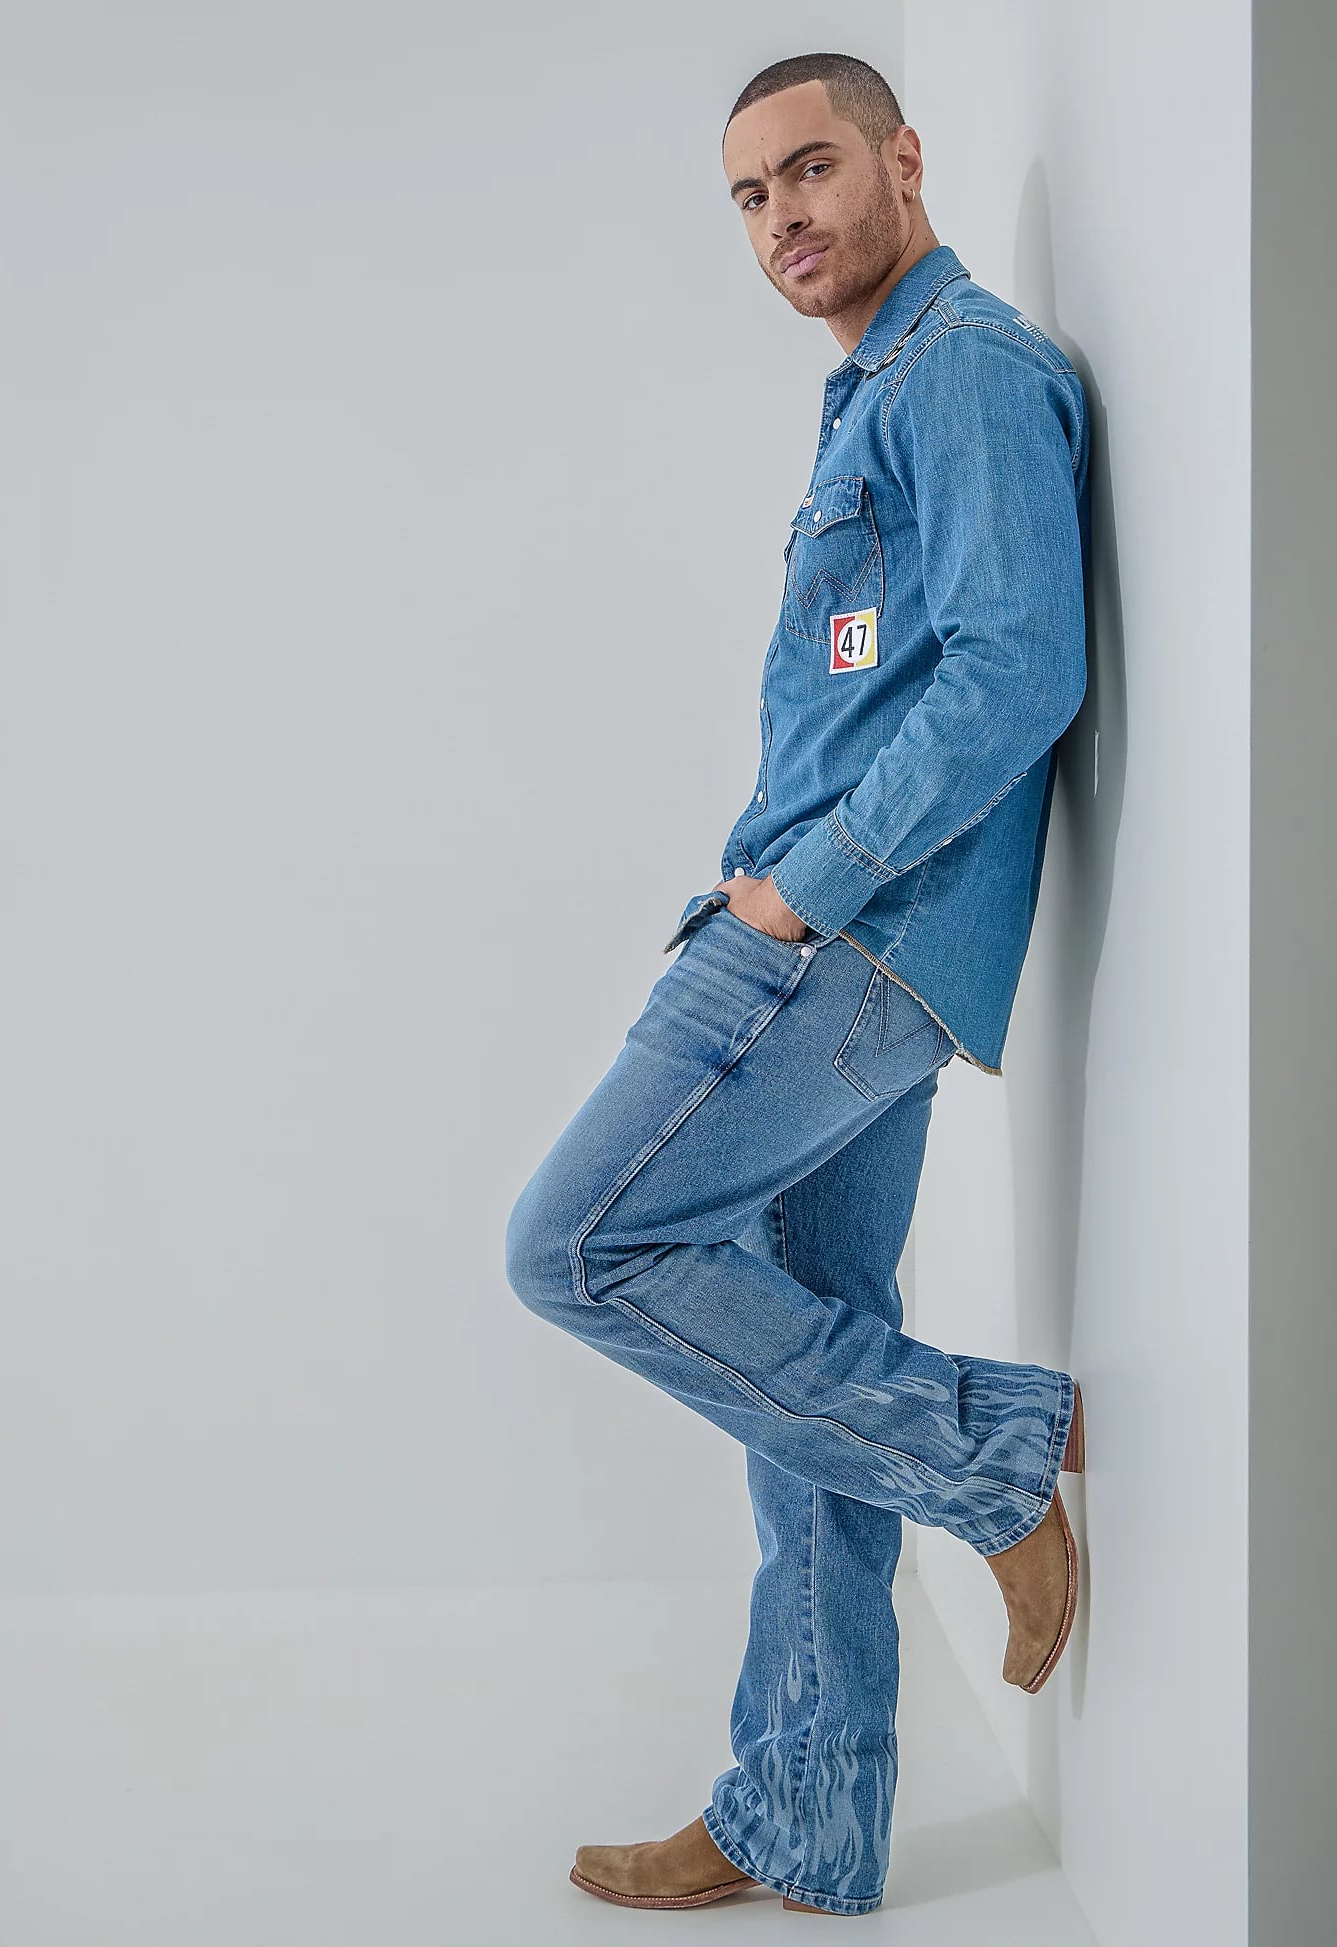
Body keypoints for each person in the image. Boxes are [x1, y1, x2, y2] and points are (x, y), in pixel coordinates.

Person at [504, 49, 1090, 1920]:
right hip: (829, 933)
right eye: (752, 198)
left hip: (845, 940)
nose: (784, 220)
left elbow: (1017, 668)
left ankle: (990, 1452)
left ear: (903, 158)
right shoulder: (874, 397)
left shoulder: (964, 372)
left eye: (813, 170)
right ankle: (803, 1818)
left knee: (575, 1245)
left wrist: (797, 893)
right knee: (806, 1351)